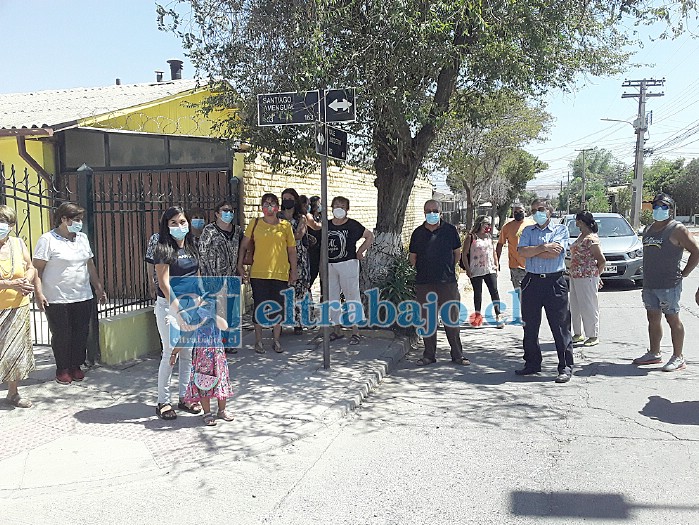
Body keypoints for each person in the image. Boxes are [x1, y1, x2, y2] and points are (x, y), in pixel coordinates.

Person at [33, 202, 107, 385]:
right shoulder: (47, 240)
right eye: (75, 219)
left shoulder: (82, 238)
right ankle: (63, 367)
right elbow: (37, 269)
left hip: (82, 295)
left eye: (80, 220)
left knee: (80, 332)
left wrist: (98, 287)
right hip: (57, 297)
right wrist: (38, 293)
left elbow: (89, 264)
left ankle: (76, 365)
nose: (79, 223)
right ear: (63, 219)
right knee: (62, 334)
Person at [633, 193, 699, 371]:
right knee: (653, 318)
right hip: (649, 284)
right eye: (656, 207)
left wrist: (684, 273)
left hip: (669, 284)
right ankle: (654, 353)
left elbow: (696, 251)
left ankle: (679, 357)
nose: (659, 210)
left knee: (672, 318)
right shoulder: (648, 229)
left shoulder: (677, 229)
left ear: (671, 210)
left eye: (664, 207)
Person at [151, 206, 202, 420]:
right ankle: (163, 401)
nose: (179, 226)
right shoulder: (163, 249)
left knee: (187, 353)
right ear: (166, 226)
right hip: (169, 307)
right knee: (170, 351)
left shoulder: (191, 246)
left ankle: (185, 397)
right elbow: (164, 284)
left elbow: (197, 274)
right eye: (173, 223)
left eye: (182, 222)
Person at [516, 198, 574, 383]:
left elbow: (555, 252)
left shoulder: (560, 229)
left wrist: (535, 250)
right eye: (533, 210)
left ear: (549, 210)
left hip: (554, 282)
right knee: (530, 326)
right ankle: (532, 363)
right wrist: (542, 247)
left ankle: (565, 367)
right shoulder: (527, 230)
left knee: (560, 326)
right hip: (532, 282)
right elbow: (522, 252)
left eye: (540, 209)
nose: (537, 213)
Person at [409, 200, 469, 365]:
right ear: (424, 212)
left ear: (440, 212)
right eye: (428, 210)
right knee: (428, 321)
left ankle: (457, 355)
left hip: (447, 283)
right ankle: (429, 355)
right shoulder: (418, 233)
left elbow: (457, 253)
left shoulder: (450, 230)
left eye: (435, 210)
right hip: (424, 283)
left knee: (451, 319)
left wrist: (448, 268)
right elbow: (412, 258)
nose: (432, 213)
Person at [237, 193, 297, 354]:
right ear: (261, 207)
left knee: (278, 308)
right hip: (259, 273)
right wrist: (240, 265)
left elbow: (291, 251)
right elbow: (244, 246)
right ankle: (258, 341)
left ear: (277, 206)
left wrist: (294, 271)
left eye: (272, 203)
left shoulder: (285, 226)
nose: (269, 207)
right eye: (266, 203)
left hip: (280, 273)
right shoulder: (255, 223)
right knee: (259, 307)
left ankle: (276, 340)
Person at [176, 299, 233, 426]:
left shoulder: (216, 320)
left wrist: (214, 315)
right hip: (202, 358)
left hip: (218, 357)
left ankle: (222, 410)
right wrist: (174, 352)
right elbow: (186, 336)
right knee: (203, 383)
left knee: (220, 381)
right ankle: (207, 412)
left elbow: (225, 326)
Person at [0, 206, 36, 408]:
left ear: (12, 226)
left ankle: (13, 393)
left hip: (18, 307)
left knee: (15, 352)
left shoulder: (18, 243)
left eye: (5, 223)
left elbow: (30, 266)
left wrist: (27, 281)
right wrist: (10, 284)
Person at [327, 196, 374, 345]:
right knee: (333, 297)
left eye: (342, 205)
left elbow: (369, 236)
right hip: (330, 265)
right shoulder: (326, 225)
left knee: (351, 296)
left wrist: (360, 251)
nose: (339, 208)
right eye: (336, 205)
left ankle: (355, 331)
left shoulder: (353, 225)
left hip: (348, 263)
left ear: (347, 209)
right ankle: (337, 329)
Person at [198, 200, 241, 353]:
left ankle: (227, 342)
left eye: (230, 210)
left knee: (229, 312)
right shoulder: (209, 230)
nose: (228, 213)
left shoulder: (237, 231)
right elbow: (202, 253)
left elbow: (243, 250)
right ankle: (216, 344)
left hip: (231, 279)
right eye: (224, 210)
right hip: (213, 278)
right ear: (217, 213)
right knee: (215, 312)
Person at [569, 211, 606, 347]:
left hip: (587, 277)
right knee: (575, 305)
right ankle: (578, 333)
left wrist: (597, 275)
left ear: (582, 221)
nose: (576, 223)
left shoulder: (591, 239)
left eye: (577, 220)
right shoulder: (581, 236)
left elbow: (601, 260)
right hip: (575, 276)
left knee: (588, 306)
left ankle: (593, 334)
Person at [462, 215, 503, 328]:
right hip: (476, 270)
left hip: (489, 268)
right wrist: (467, 269)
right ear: (480, 224)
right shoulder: (471, 237)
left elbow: (493, 251)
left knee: (494, 291)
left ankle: (498, 314)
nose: (489, 226)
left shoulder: (489, 236)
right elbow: (464, 254)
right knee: (478, 293)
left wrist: (496, 264)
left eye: (490, 224)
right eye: (487, 224)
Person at [280, 188, 311, 334]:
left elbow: (299, 234)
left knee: (299, 288)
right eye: (284, 198)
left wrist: (283, 235)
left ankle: (299, 322)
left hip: (299, 256)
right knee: (283, 288)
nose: (287, 200)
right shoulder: (277, 216)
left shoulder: (301, 217)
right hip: (280, 255)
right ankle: (282, 320)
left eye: (290, 198)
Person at [496, 202, 534, 300]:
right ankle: (525, 314)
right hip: (515, 266)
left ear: (525, 212)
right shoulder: (507, 227)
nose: (518, 213)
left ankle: (530, 314)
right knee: (521, 295)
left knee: (532, 295)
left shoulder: (532, 224)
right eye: (515, 212)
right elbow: (500, 244)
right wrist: (496, 262)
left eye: (520, 211)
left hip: (532, 265)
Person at [306, 196, 322, 289]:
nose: (320, 206)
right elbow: (315, 226)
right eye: (318, 203)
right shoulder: (309, 216)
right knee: (312, 273)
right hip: (311, 250)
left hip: (320, 249)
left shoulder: (320, 216)